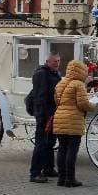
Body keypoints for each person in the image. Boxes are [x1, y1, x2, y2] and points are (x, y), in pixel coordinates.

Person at [53, 60, 95, 187]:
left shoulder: (60, 83)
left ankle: (61, 178)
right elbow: (82, 103)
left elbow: (56, 100)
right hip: (73, 120)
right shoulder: (78, 84)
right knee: (72, 150)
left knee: (62, 149)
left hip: (59, 118)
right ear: (81, 71)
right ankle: (70, 179)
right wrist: (92, 106)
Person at [29, 53, 61, 183]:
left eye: (59, 61)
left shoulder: (55, 73)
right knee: (41, 143)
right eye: (55, 61)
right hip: (44, 113)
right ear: (47, 61)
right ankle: (35, 173)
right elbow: (40, 95)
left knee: (50, 142)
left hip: (52, 112)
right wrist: (41, 115)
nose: (57, 63)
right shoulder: (41, 73)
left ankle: (48, 168)